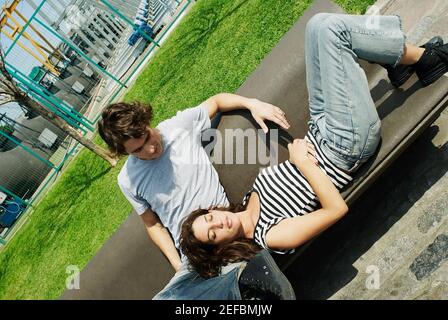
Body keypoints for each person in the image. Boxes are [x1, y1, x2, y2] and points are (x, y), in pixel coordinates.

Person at [179, 13, 448, 278]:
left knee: (317, 26)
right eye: (213, 234)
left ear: (212, 210)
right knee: (333, 32)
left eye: (210, 218)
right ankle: (420, 58)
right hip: (346, 145)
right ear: (221, 250)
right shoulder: (271, 236)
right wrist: (303, 163)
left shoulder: (248, 202)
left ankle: (406, 59)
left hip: (321, 128)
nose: (219, 222)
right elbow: (335, 209)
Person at [98, 93, 295, 299]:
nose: (150, 148)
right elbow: (152, 225)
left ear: (146, 121)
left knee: (239, 289)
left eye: (147, 136)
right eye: (138, 150)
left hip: (222, 238)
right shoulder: (128, 180)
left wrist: (252, 103)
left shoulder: (179, 127)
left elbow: (217, 102)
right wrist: (177, 265)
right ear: (124, 152)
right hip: (191, 258)